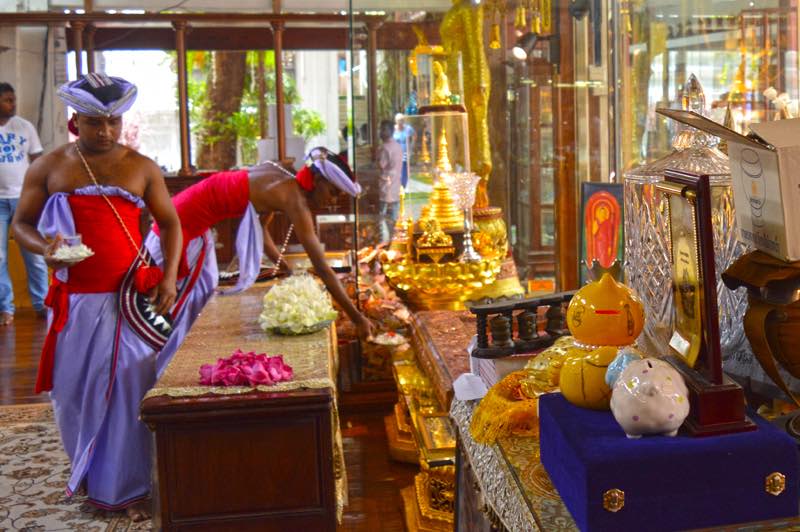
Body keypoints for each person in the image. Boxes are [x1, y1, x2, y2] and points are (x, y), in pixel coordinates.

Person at [10, 73, 182, 521]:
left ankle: (126, 487)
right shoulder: (48, 166)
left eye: (112, 121)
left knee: (128, 391)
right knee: (73, 395)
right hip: (75, 303)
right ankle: (88, 471)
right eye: (93, 123)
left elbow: (171, 223)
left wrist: (167, 278)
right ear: (75, 122)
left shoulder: (141, 166)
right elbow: (20, 224)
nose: (105, 131)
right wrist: (44, 247)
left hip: (128, 299)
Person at [145, 146, 375, 377]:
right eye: (332, 192)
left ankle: (177, 365)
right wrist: (358, 318)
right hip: (180, 228)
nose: (331, 201)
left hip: (189, 220)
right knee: (184, 310)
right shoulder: (295, 200)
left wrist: (282, 263)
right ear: (316, 179)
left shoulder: (281, 175)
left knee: (199, 304)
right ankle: (167, 374)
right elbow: (323, 269)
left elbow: (260, 227)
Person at [0, 82, 48, 325]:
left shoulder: (24, 127)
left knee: (34, 253)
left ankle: (42, 304)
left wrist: (39, 193)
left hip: (23, 198)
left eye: (13, 99)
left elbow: (38, 162)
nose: (13, 104)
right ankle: (5, 308)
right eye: (7, 100)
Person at [377, 120, 403, 243]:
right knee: (394, 217)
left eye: (383, 130)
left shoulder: (385, 148)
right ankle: (394, 241)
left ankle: (385, 243)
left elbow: (381, 165)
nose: (381, 132)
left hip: (385, 186)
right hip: (395, 185)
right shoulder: (397, 146)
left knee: (382, 218)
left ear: (390, 131)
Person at [393, 113, 415, 189]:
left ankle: (404, 187)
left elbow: (414, 136)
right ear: (396, 121)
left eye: (402, 120)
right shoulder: (393, 129)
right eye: (399, 120)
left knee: (404, 170)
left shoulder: (408, 128)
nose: (400, 122)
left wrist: (412, 146)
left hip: (405, 153)